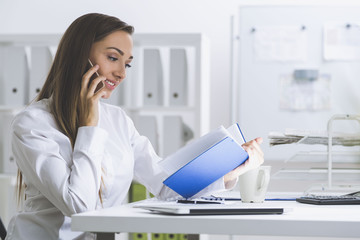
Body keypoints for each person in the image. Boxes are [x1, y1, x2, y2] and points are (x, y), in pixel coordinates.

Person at [5, 13, 264, 240]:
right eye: (112, 58)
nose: (121, 74)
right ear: (79, 56)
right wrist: (89, 127)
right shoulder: (33, 123)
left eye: (126, 63)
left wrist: (230, 171)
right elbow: (80, 208)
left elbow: (165, 187)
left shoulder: (118, 120)